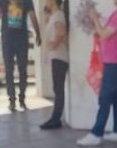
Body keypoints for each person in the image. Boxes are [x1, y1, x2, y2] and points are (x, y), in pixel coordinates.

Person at [76, 0, 117, 147]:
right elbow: (109, 29)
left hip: (115, 62)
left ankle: (97, 133)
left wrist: (94, 18)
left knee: (105, 97)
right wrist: (99, 18)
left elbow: (103, 34)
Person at [0, 0, 41, 112]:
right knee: (17, 69)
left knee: (15, 69)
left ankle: (17, 98)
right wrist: (38, 33)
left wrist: (38, 33)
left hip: (14, 38)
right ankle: (16, 99)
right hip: (14, 39)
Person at [40, 0, 69, 130]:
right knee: (57, 87)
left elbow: (62, 32)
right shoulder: (54, 15)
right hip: (56, 56)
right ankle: (55, 117)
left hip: (59, 56)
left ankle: (56, 118)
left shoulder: (58, 15)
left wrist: (54, 44)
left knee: (58, 88)